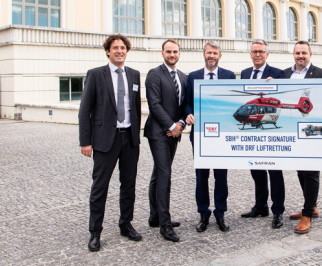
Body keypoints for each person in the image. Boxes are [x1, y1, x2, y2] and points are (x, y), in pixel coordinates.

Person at [79, 34, 143, 251]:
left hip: (130, 139)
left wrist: (136, 135)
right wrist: (85, 141)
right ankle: (95, 232)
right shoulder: (96, 74)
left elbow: (135, 108)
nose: (119, 51)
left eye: (123, 47)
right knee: (100, 187)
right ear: (108, 51)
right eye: (115, 48)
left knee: (129, 185)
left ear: (127, 51)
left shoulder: (134, 75)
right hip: (105, 139)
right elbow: (85, 110)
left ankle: (126, 224)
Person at [184, 41, 236, 233]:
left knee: (221, 176)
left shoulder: (229, 76)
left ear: (220, 56)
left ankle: (220, 213)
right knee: (201, 176)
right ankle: (203, 214)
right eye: (209, 53)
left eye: (215, 53)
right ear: (203, 54)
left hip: (222, 135)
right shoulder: (193, 76)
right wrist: (188, 114)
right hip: (200, 134)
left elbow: (234, 102)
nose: (211, 56)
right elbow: (187, 103)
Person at [282, 40, 322, 234]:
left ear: (310, 54)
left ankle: (307, 214)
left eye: (304, 53)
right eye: (297, 53)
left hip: (312, 129)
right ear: (293, 55)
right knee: (300, 171)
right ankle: (312, 205)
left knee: (311, 172)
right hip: (291, 129)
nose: (300, 56)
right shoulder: (284, 74)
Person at [240, 39, 286, 229]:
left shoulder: (278, 73)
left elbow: (283, 96)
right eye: (254, 51)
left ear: (267, 54)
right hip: (253, 130)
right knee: (256, 170)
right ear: (250, 54)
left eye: (261, 51)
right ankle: (261, 206)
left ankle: (278, 211)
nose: (257, 55)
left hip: (269, 133)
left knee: (275, 172)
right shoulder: (244, 73)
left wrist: (276, 85)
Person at [144, 39, 187, 242]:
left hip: (174, 133)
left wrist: (180, 124)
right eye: (168, 51)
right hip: (158, 132)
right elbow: (154, 104)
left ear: (179, 53)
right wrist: (171, 126)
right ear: (162, 53)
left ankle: (155, 216)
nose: (172, 55)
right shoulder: (154, 74)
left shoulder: (184, 77)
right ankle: (165, 224)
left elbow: (186, 105)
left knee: (159, 173)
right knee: (164, 174)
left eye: (175, 51)